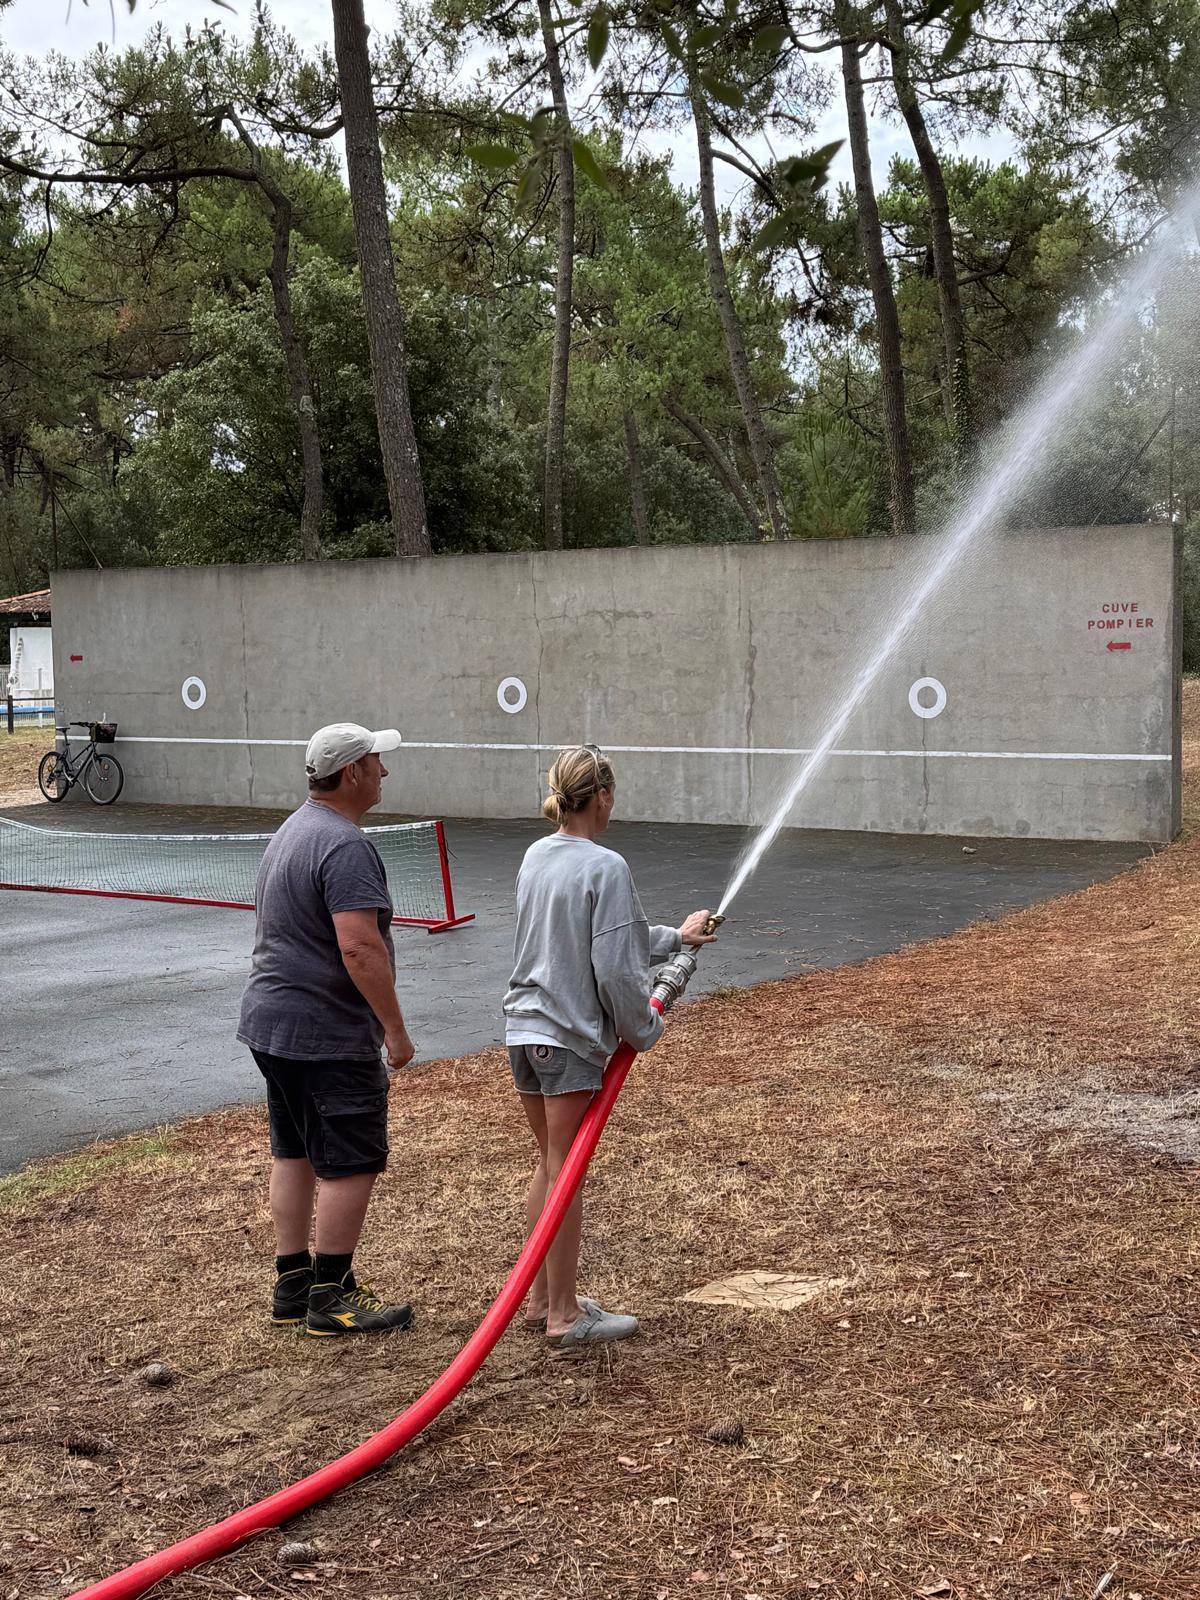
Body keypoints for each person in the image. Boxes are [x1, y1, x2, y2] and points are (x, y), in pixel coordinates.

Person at [503, 743, 716, 1348]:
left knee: (551, 1164)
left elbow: (592, 936)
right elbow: (616, 970)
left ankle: (540, 1301)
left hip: (525, 1030)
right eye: (611, 793)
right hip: (568, 1038)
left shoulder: (538, 854)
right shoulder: (607, 865)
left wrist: (675, 938)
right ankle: (564, 1316)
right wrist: (644, 1028)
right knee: (566, 1173)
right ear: (601, 796)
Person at [237, 721, 418, 1338]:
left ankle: (292, 1282)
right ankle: (331, 1296)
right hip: (324, 1034)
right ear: (351, 773)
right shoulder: (344, 846)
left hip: (271, 1026)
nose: (383, 772)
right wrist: (394, 1030)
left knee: (295, 1150)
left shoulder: (293, 831)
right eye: (375, 762)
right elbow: (359, 946)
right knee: (350, 1158)